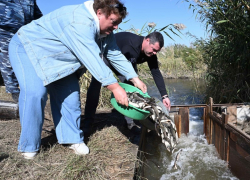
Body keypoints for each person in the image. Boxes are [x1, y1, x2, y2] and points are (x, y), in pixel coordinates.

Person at [8, 0, 147, 159]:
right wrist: (115, 87)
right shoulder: (78, 21)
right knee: (36, 92)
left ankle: (71, 138)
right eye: (113, 22)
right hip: (27, 47)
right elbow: (91, 57)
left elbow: (114, 53)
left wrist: (134, 78)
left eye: (118, 24)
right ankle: (29, 145)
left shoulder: (105, 31)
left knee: (71, 97)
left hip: (56, 59)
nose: (116, 27)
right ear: (100, 12)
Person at [84, 31, 171, 134]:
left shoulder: (151, 53)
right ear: (147, 40)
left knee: (131, 88)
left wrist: (164, 96)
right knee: (95, 85)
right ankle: (87, 122)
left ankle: (130, 122)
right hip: (106, 55)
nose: (154, 53)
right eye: (154, 49)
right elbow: (129, 71)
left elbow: (156, 72)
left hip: (123, 62)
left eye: (157, 51)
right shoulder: (131, 45)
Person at [0, 0, 43, 102]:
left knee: (29, 58)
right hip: (5, 29)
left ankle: (29, 87)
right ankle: (13, 89)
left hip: (25, 31)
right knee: (7, 59)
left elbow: (37, 15)